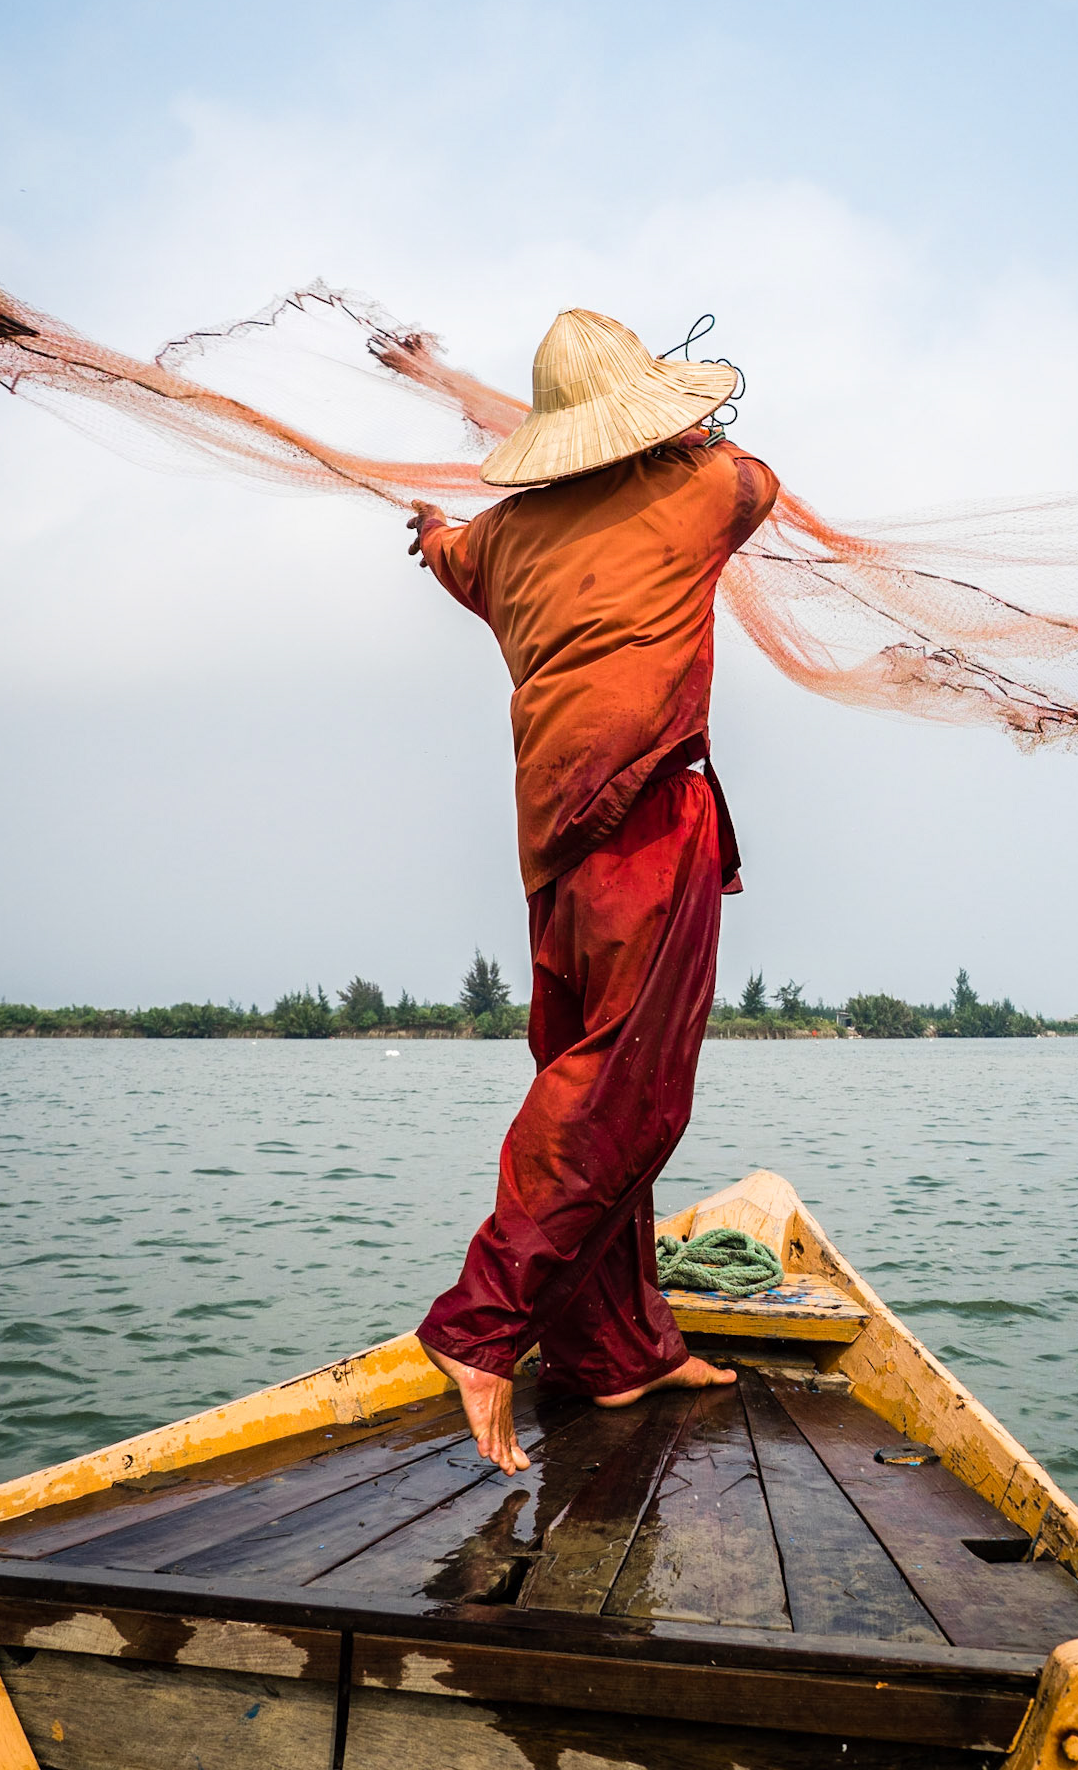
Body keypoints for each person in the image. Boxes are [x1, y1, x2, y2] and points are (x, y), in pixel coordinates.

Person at [401, 307, 778, 1473]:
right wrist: (681, 424)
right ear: (648, 415)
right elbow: (751, 474)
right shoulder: (708, 488)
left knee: (589, 1082)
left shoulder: (497, 543)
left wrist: (430, 529)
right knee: (626, 1095)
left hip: (552, 854)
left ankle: (618, 1349)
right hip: (650, 825)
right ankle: (480, 1326)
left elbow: (451, 555)